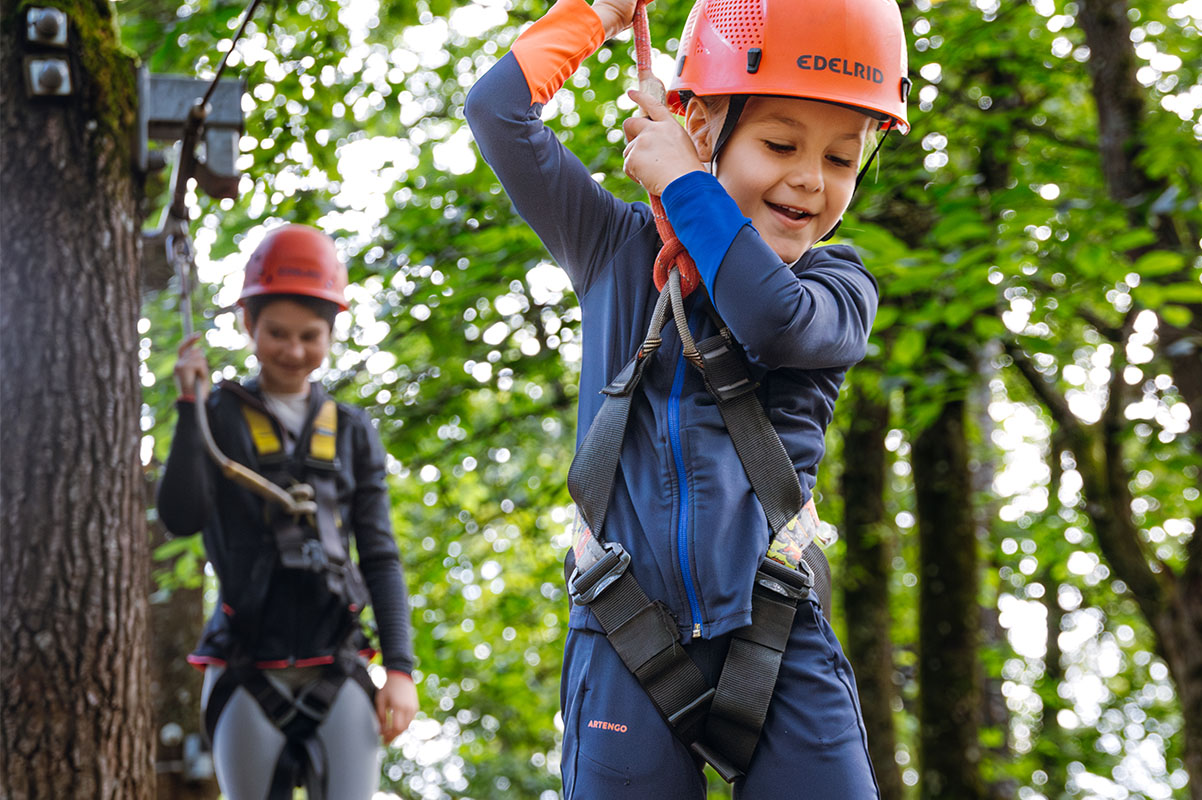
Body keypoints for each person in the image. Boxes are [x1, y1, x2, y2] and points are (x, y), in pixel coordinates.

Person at [467, 0, 910, 796]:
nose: (811, 179)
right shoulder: (616, 249)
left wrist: (680, 180)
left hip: (778, 639)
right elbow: (497, 112)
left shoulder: (835, 285)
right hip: (625, 633)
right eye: (781, 143)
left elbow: (769, 321)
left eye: (843, 160)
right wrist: (596, 15)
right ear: (702, 126)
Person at [157, 223, 418, 800]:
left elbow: (379, 553)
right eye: (277, 333)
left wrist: (399, 668)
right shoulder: (220, 411)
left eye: (310, 336)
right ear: (248, 324)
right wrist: (188, 407)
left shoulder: (350, 430)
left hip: (337, 660)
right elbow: (182, 515)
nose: (294, 351)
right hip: (246, 663)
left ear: (330, 333)